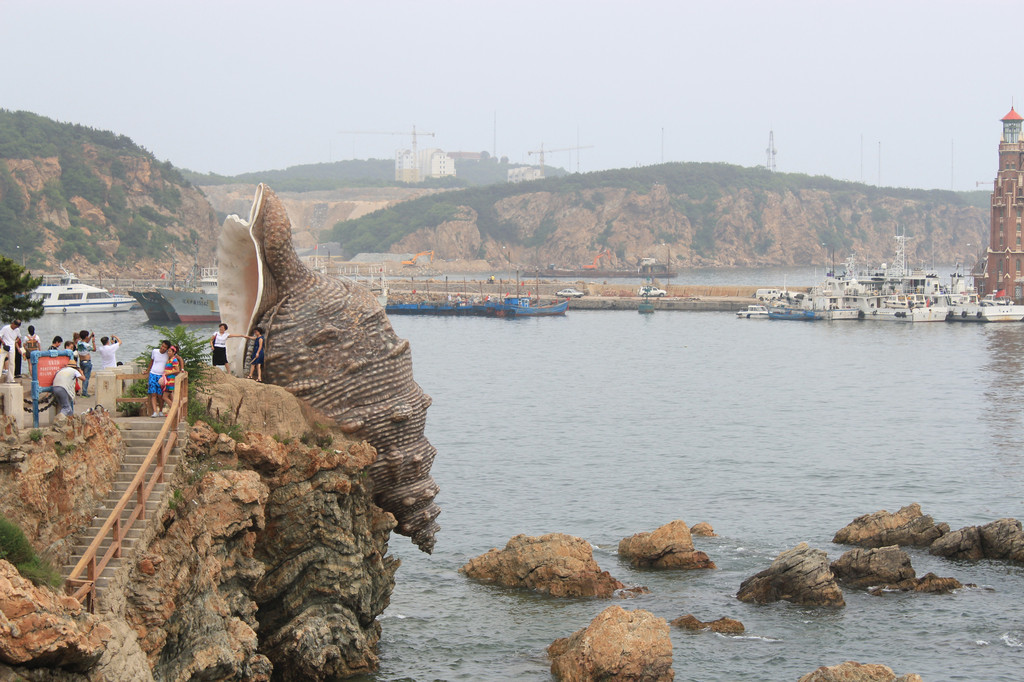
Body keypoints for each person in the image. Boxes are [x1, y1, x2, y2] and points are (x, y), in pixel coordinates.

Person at [147, 340, 170, 418]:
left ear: (167, 349)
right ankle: (154, 411)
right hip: (153, 374)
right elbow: (152, 361)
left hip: (161, 376)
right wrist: (147, 370)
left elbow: (177, 358)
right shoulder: (155, 351)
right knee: (153, 394)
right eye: (162, 346)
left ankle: (160, 410)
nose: (163, 348)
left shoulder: (167, 354)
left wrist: (182, 368)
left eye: (165, 347)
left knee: (160, 395)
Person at [162, 344, 181, 411]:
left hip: (170, 380)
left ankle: (174, 409)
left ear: (174, 352)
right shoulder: (169, 359)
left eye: (170, 351)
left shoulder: (174, 360)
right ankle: (174, 409)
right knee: (170, 395)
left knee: (164, 397)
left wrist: (168, 373)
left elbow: (177, 370)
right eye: (168, 351)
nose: (168, 353)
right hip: (168, 380)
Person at [76, 330, 95, 397]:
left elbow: (86, 341)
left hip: (81, 362)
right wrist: (93, 341)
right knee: (86, 378)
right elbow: (94, 349)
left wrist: (90, 336)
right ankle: (84, 392)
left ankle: (84, 391)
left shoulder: (79, 343)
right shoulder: (87, 345)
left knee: (83, 377)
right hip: (87, 362)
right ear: (86, 336)